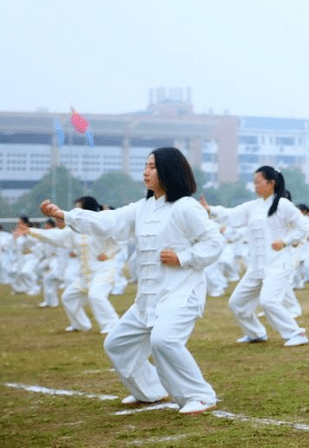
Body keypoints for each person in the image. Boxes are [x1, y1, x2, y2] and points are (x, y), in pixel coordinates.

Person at [40, 147, 224, 414]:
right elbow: (110, 222)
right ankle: (150, 391)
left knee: (164, 341)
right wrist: (66, 216)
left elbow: (215, 242)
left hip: (181, 294)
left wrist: (183, 257)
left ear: (169, 171)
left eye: (152, 166)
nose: (145, 171)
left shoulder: (186, 207)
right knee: (116, 344)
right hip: (148, 297)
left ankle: (201, 395)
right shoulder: (143, 208)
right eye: (145, 165)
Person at [202, 166, 309, 347]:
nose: (255, 185)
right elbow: (231, 215)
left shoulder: (283, 205)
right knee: (237, 303)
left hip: (277, 265)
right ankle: (256, 333)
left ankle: (296, 333)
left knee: (268, 301)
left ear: (271, 183)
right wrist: (209, 210)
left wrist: (285, 241)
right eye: (254, 182)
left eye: (257, 182)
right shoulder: (253, 206)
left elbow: (304, 226)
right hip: (257, 267)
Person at [16, 196, 120, 334]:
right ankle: (81, 325)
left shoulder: (102, 223)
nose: (75, 211)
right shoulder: (74, 229)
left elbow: (120, 240)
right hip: (85, 276)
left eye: (78, 208)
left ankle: (113, 326)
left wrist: (108, 254)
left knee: (96, 296)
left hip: (103, 271)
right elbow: (56, 237)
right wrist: (31, 231)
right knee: (68, 298)